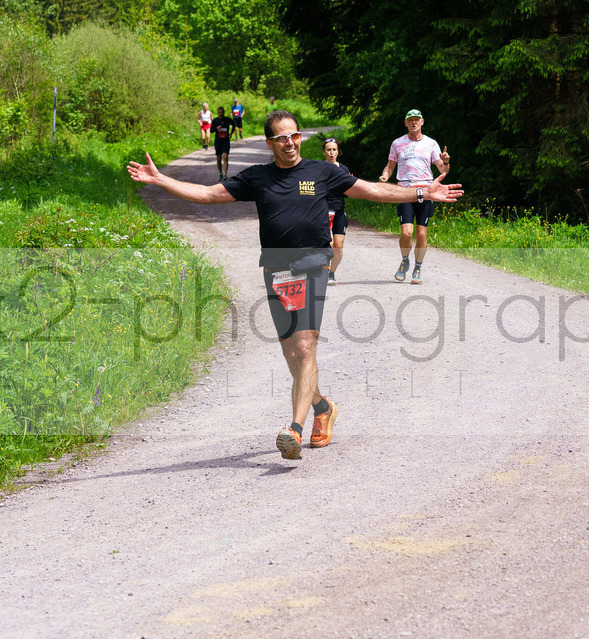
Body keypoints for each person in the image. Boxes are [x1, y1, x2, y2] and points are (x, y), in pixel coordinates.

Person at [128, 110, 462, 461]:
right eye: (282, 138)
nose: (290, 143)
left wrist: (422, 192)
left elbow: (372, 190)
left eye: (295, 136)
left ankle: (294, 430)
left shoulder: (323, 171)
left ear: (300, 137)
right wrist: (163, 181)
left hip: (313, 263)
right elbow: (208, 195)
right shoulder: (258, 178)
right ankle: (322, 407)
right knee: (291, 353)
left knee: (304, 348)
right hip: (275, 269)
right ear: (271, 143)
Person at [379, 108, 451, 284]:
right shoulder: (397, 143)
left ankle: (418, 268)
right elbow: (390, 166)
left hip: (426, 192)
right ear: (405, 123)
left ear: (422, 122)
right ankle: (405, 261)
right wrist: (384, 176)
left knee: (421, 234)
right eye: (410, 119)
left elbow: (443, 170)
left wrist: (446, 161)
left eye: (416, 119)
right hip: (405, 192)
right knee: (406, 232)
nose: (413, 122)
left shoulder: (431, 144)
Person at [323, 137, 353, 285]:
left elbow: (349, 192)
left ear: (338, 152)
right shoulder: (319, 168)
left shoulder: (344, 169)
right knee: (323, 244)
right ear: (324, 152)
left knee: (338, 245)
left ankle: (331, 273)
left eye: (334, 149)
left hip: (339, 210)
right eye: (328, 149)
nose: (331, 152)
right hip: (322, 210)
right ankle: (321, 270)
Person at [210, 106, 236, 181]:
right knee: (218, 158)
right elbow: (211, 130)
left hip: (226, 141)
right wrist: (216, 128)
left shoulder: (227, 119)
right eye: (219, 112)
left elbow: (234, 124)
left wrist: (231, 133)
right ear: (217, 113)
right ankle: (220, 173)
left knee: (225, 156)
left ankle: (225, 174)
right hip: (218, 141)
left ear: (224, 112)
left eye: (221, 112)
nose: (220, 114)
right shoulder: (215, 120)